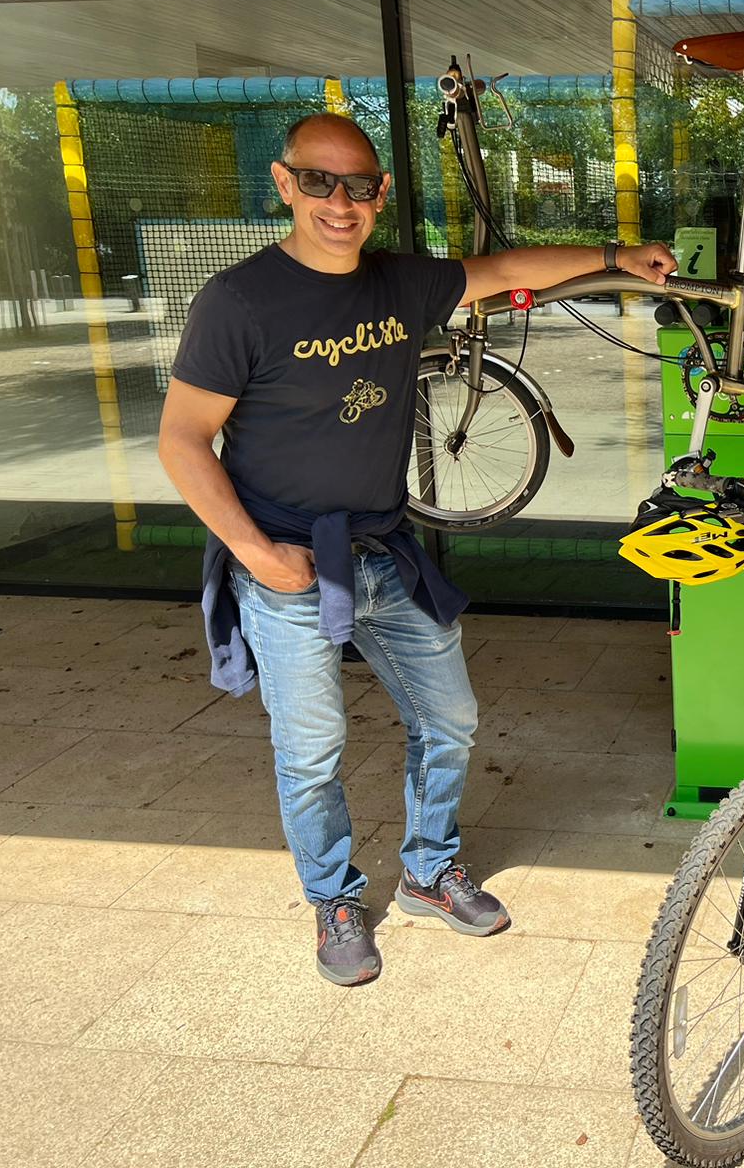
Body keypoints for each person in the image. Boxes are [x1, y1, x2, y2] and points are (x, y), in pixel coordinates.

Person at [157, 112, 676, 986]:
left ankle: (429, 872)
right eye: (317, 182)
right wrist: (255, 556)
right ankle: (333, 898)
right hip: (288, 563)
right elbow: (182, 441)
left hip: (384, 553)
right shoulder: (238, 301)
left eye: (358, 186)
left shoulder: (401, 282)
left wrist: (618, 256)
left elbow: (506, 270)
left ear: (381, 195)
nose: (338, 202)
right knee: (312, 750)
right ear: (283, 183)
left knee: (450, 719)